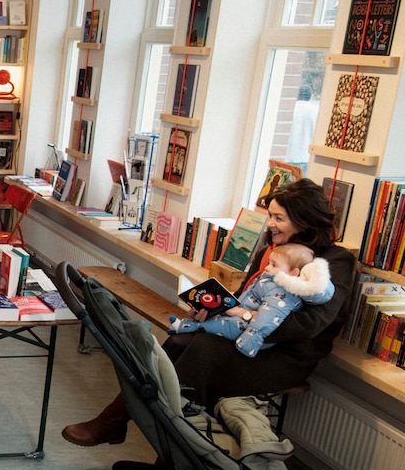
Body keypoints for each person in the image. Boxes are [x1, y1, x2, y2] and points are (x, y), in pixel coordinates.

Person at [62, 178, 355, 446]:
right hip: (243, 336)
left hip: (284, 355)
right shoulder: (274, 250)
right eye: (270, 216)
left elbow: (310, 325)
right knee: (179, 340)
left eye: (279, 218)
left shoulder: (334, 262)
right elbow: (245, 298)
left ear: (304, 220)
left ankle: (164, 444)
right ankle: (146, 434)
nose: (269, 225)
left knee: (201, 350)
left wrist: (247, 318)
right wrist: (215, 310)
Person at [169, 243, 334, 357]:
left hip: (250, 335)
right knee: (183, 341)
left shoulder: (283, 293)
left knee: (198, 340)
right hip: (241, 323)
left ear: (293, 274)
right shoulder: (271, 280)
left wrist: (248, 340)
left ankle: (188, 327)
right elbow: (245, 297)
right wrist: (219, 309)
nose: (267, 268)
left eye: (274, 265)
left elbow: (267, 318)